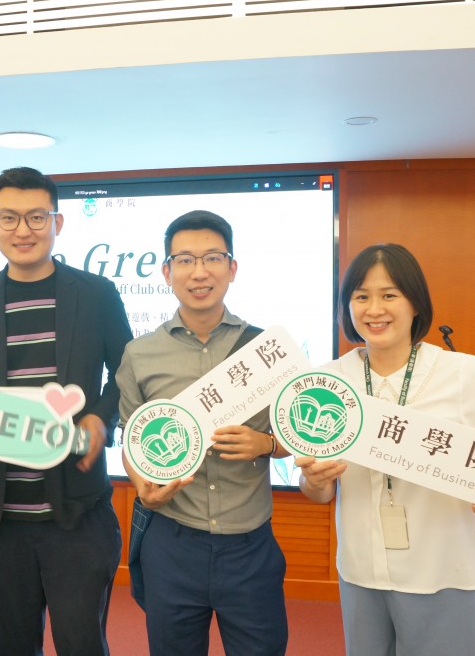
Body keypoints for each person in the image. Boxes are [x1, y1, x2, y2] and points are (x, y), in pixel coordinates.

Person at [297, 243, 475, 656]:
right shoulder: (328, 382)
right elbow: (318, 491)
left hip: (441, 570)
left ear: (415, 302)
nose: (374, 309)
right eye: (361, 297)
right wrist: (314, 481)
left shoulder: (460, 372)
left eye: (389, 295)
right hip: (361, 570)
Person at [0, 167, 132, 655]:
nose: (22, 230)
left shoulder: (96, 295)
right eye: (9, 217)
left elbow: (128, 373)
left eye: (36, 217)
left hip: (77, 516)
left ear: (57, 222)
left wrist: (100, 418)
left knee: (82, 645)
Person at [117, 210, 290, 656]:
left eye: (213, 258)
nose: (199, 272)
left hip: (249, 543)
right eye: (185, 260)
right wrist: (141, 485)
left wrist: (268, 444)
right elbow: (132, 439)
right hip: (173, 539)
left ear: (232, 268)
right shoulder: (140, 354)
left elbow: (300, 434)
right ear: (166, 272)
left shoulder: (266, 349)